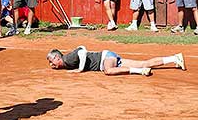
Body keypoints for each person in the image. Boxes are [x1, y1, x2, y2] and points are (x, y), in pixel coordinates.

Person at [47, 46, 186, 76]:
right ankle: (174, 58)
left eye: (51, 61)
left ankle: (139, 72)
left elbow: (82, 50)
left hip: (105, 58)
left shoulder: (67, 58)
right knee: (144, 62)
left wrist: (80, 69)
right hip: (109, 56)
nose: (51, 64)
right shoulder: (64, 63)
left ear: (57, 58)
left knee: (108, 71)